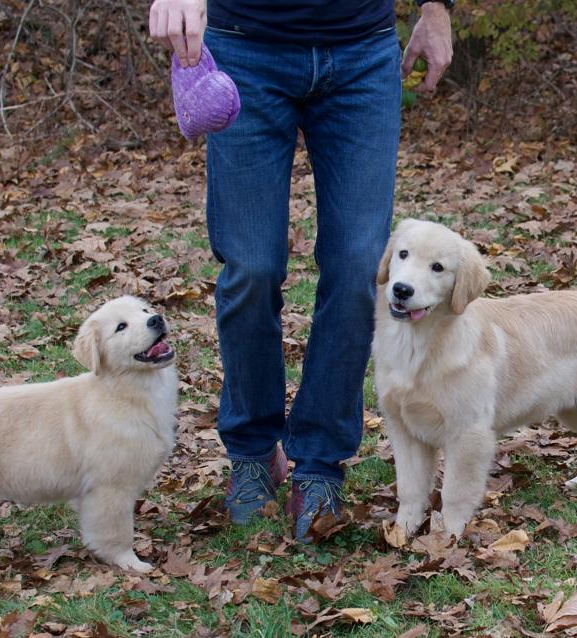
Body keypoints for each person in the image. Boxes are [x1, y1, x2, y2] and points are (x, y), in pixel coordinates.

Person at [149, 0, 453, 542]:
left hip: (362, 52)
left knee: (361, 267)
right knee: (251, 266)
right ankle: (252, 451)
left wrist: (435, 9)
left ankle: (319, 462)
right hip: (246, 45)